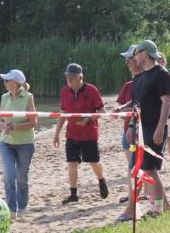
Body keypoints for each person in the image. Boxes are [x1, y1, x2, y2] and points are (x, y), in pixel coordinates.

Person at [127, 40, 170, 218]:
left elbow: (167, 101)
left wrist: (160, 128)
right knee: (142, 169)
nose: (135, 56)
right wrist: (131, 126)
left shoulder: (161, 74)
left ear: (144, 54)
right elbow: (137, 105)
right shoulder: (141, 76)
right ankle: (159, 208)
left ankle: (157, 211)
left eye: (136, 53)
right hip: (141, 128)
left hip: (154, 126)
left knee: (150, 169)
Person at [53, 63, 108, 203]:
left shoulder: (91, 90)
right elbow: (63, 114)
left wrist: (88, 119)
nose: (69, 79)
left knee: (94, 162)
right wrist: (56, 134)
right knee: (72, 164)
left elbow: (102, 112)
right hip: (72, 134)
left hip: (89, 134)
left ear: (80, 77)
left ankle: (101, 180)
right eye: (67, 76)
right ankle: (73, 195)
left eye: (72, 76)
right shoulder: (65, 92)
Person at [0, 69, 37, 215]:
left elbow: (33, 122)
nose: (5, 82)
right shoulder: (4, 97)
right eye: (5, 80)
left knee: (21, 177)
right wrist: (4, 127)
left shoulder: (28, 97)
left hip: (25, 143)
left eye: (7, 80)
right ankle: (11, 208)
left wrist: (15, 127)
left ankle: (22, 206)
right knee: (9, 176)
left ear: (16, 82)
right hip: (6, 142)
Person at [114, 45, 144, 213]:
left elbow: (139, 105)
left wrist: (130, 119)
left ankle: (133, 207)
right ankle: (159, 207)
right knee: (134, 167)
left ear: (139, 58)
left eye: (129, 58)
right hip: (132, 129)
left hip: (142, 130)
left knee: (140, 168)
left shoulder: (146, 78)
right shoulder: (135, 81)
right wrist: (123, 110)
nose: (126, 62)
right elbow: (133, 102)